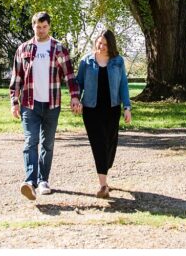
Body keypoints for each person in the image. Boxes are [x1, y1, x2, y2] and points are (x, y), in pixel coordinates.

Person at [9, 11, 81, 201]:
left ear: (49, 26)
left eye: (44, 26)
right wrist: (14, 102)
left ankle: (43, 181)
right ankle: (30, 182)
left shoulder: (58, 48)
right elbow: (16, 78)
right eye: (37, 27)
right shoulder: (23, 49)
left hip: (52, 104)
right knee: (30, 141)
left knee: (47, 144)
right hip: (29, 105)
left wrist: (75, 97)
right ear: (33, 27)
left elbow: (69, 76)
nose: (41, 30)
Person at [75, 29, 132, 198]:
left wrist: (127, 107)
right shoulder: (86, 61)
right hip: (91, 109)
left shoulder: (118, 61)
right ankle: (103, 185)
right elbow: (79, 84)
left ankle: (104, 171)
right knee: (98, 144)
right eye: (99, 43)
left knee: (110, 145)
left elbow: (123, 86)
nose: (102, 46)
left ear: (111, 45)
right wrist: (76, 99)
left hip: (112, 108)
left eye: (105, 44)